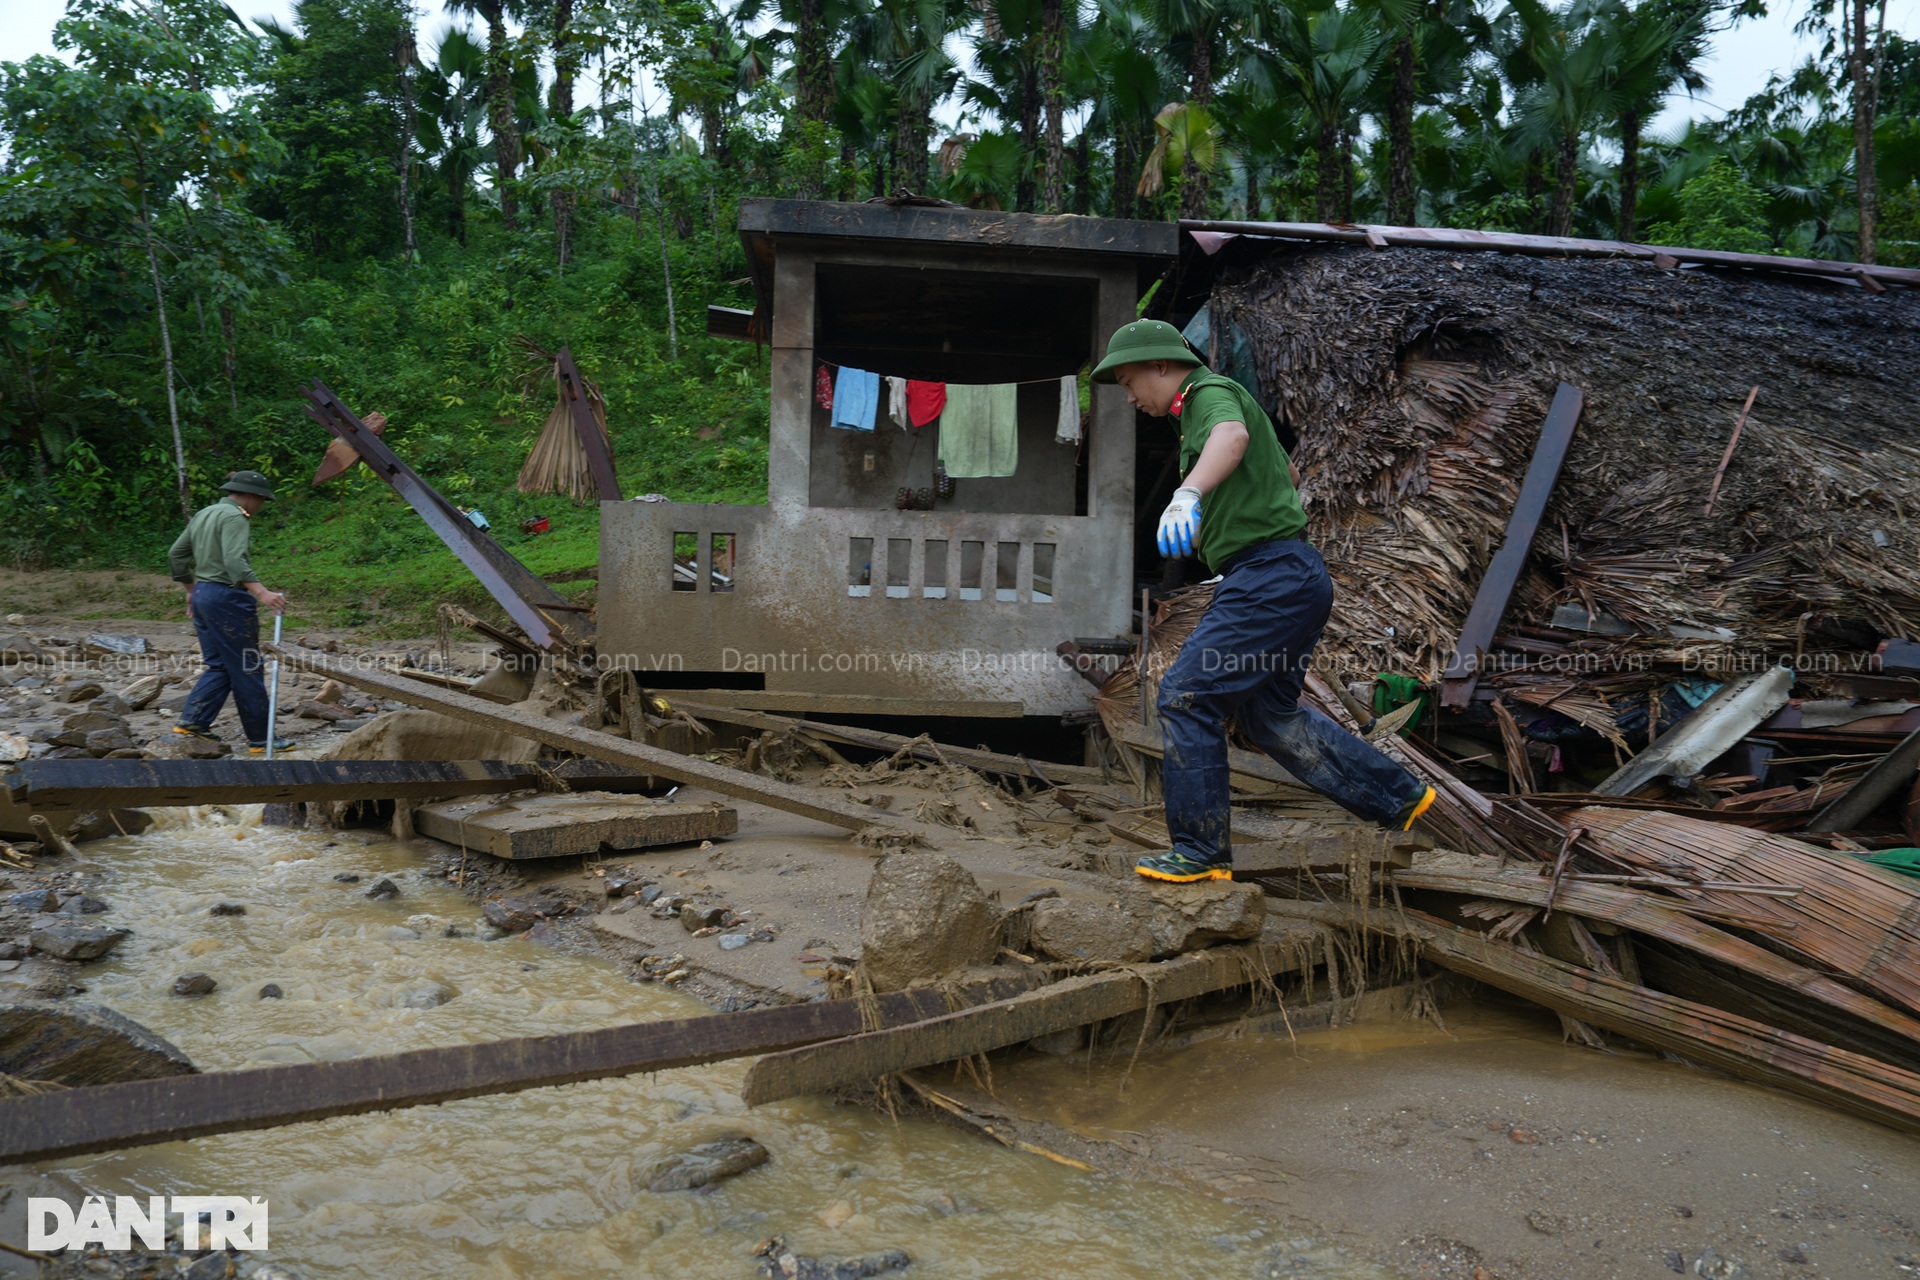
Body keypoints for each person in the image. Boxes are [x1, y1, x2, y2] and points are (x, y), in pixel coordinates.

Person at [1091, 320, 1435, 883]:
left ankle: (1200, 853)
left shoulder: (1206, 393)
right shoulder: (1206, 411)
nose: (1129, 397)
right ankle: (1398, 797)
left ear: (1160, 366)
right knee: (1268, 718)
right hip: (1290, 575)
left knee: (1184, 696)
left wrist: (1187, 494)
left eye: (1130, 382)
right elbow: (1286, 469)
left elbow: (1233, 439)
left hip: (1269, 576)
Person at [167, 470, 295, 755]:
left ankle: (194, 721)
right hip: (227, 598)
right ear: (251, 496)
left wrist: (191, 590)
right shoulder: (235, 517)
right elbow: (234, 561)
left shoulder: (204, 514)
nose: (260, 506)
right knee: (248, 666)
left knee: (220, 664)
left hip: (204, 595)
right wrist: (262, 592)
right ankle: (262, 739)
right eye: (261, 500)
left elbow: (176, 555)